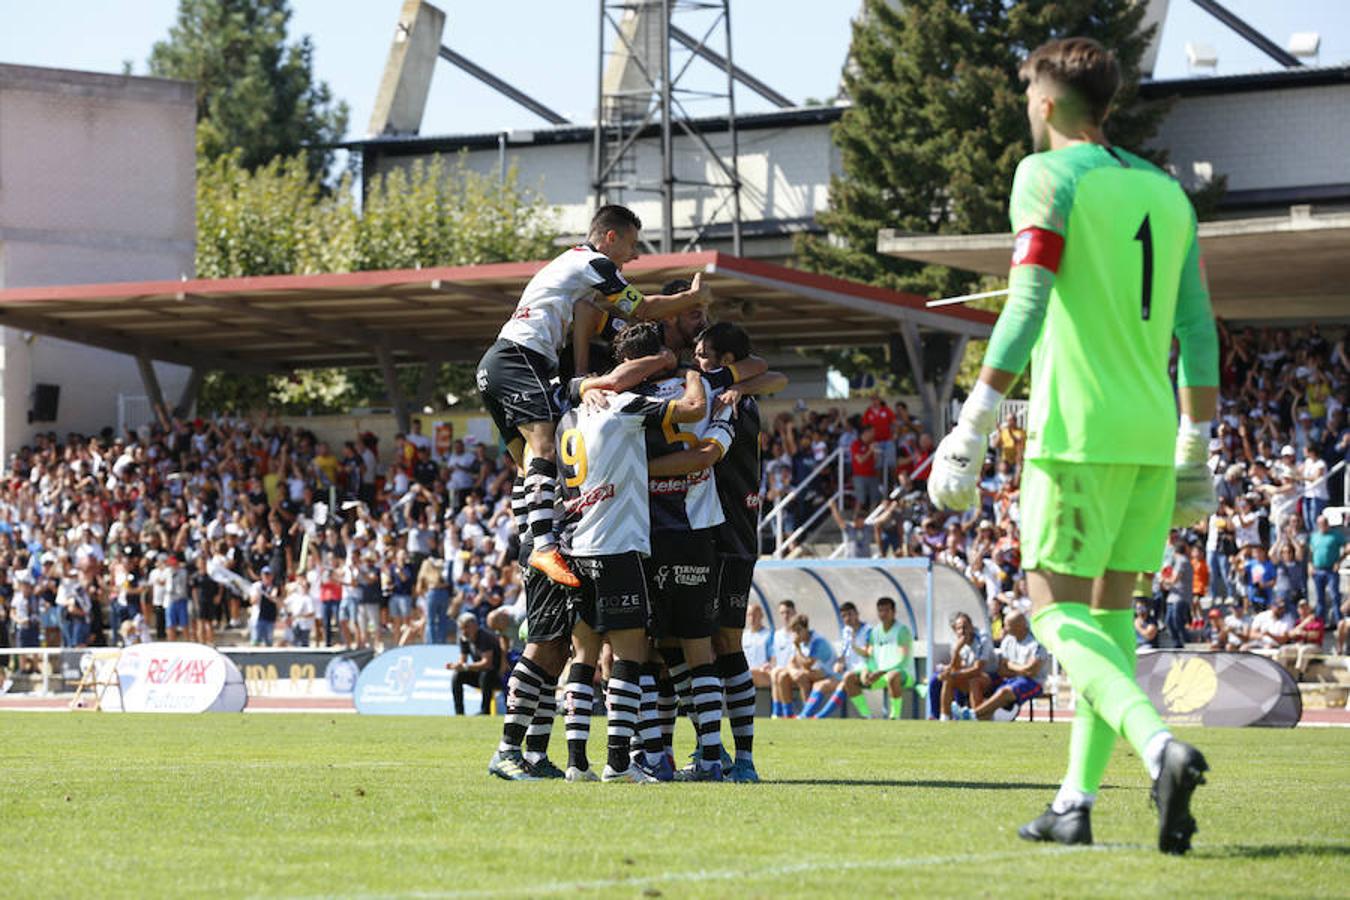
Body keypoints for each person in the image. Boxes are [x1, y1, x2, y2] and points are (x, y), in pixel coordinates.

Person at [927, 38, 1216, 853]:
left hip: (1077, 431)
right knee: (1109, 619)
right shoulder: (1166, 191)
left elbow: (1025, 304)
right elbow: (1197, 327)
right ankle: (1074, 801)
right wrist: (1198, 443)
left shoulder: (1045, 176)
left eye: (1029, 98)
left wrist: (972, 424)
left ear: (1046, 103)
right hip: (1152, 436)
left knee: (1052, 614)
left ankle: (1159, 746)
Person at [474, 205, 709, 588]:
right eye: (631, 246)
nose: (634, 257)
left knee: (527, 461)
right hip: (520, 357)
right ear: (610, 238)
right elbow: (643, 308)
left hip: (497, 362)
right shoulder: (593, 263)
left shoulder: (571, 266)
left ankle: (531, 543)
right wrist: (694, 297)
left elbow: (588, 311)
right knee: (544, 446)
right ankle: (544, 547)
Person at [972, 610, 1047, 720]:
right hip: (1012, 680)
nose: (1004, 628)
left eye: (1007, 625)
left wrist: (1011, 665)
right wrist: (1022, 669)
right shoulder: (1007, 641)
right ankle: (978, 715)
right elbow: (1002, 670)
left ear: (1019, 626)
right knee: (976, 679)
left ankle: (972, 714)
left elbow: (1032, 672)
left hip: (1033, 683)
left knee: (1005, 691)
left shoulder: (1037, 643)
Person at [450, 612, 502, 715]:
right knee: (457, 676)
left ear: (475, 626)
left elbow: (487, 663)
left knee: (485, 674)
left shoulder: (484, 637)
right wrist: (457, 666)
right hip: (481, 674)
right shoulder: (464, 639)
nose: (464, 631)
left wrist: (465, 666)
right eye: (461, 628)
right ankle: (459, 713)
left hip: (497, 676)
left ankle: (485, 711)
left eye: (466, 627)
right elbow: (463, 661)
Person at [1308, 516, 1345, 627]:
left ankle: (1339, 622)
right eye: (1320, 524)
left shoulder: (1335, 535)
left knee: (1334, 595)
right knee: (1320, 598)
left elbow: (1347, 547)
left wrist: (1339, 561)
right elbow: (1311, 552)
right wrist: (1310, 565)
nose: (1322, 526)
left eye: (1324, 523)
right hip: (1318, 570)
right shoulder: (1314, 536)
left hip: (1331, 570)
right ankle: (1320, 624)